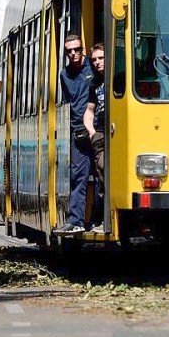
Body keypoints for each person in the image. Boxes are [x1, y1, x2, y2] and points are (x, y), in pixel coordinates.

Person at [57, 34, 95, 234]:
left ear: (83, 49)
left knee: (102, 175)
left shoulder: (94, 66)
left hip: (97, 130)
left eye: (76, 49)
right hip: (77, 132)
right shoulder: (65, 75)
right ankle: (76, 220)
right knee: (78, 176)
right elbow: (67, 104)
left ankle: (98, 216)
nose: (73, 53)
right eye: (69, 51)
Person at [83, 42, 105, 231]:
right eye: (94, 60)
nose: (97, 63)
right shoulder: (94, 83)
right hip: (101, 135)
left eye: (101, 58)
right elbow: (89, 110)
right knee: (101, 170)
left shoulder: (121, 78)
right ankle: (100, 217)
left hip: (119, 135)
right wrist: (92, 132)